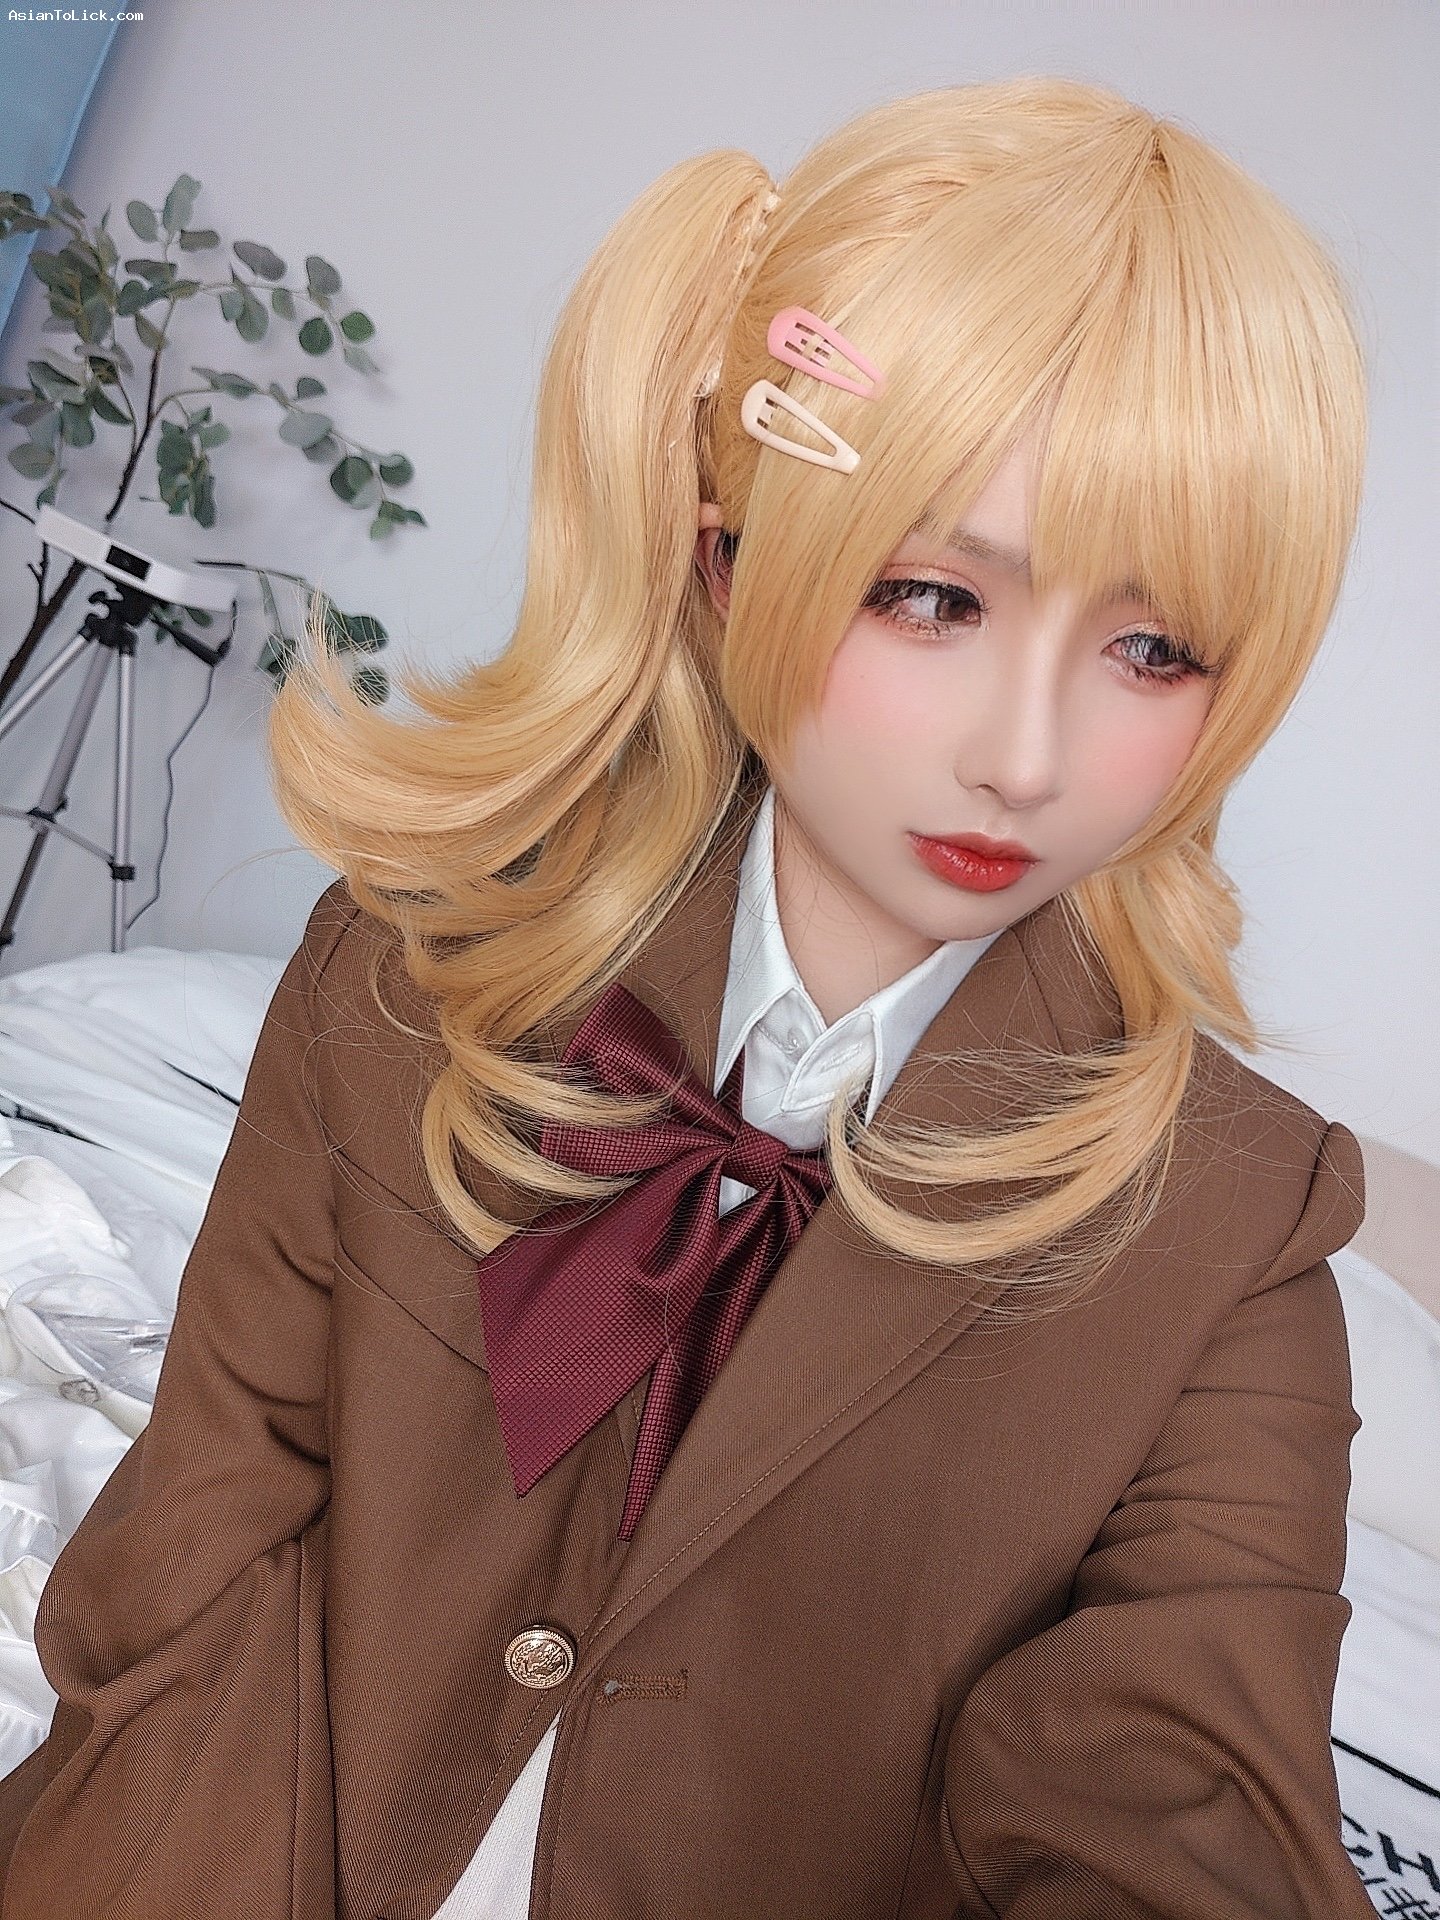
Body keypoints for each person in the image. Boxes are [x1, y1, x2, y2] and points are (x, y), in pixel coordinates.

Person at [0, 74, 1375, 1919]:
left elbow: (1183, 1801)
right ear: (730, 566)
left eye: (1153, 648)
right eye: (931, 598)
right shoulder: (401, 972)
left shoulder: (1238, 1226)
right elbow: (193, 1564)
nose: (1027, 757)